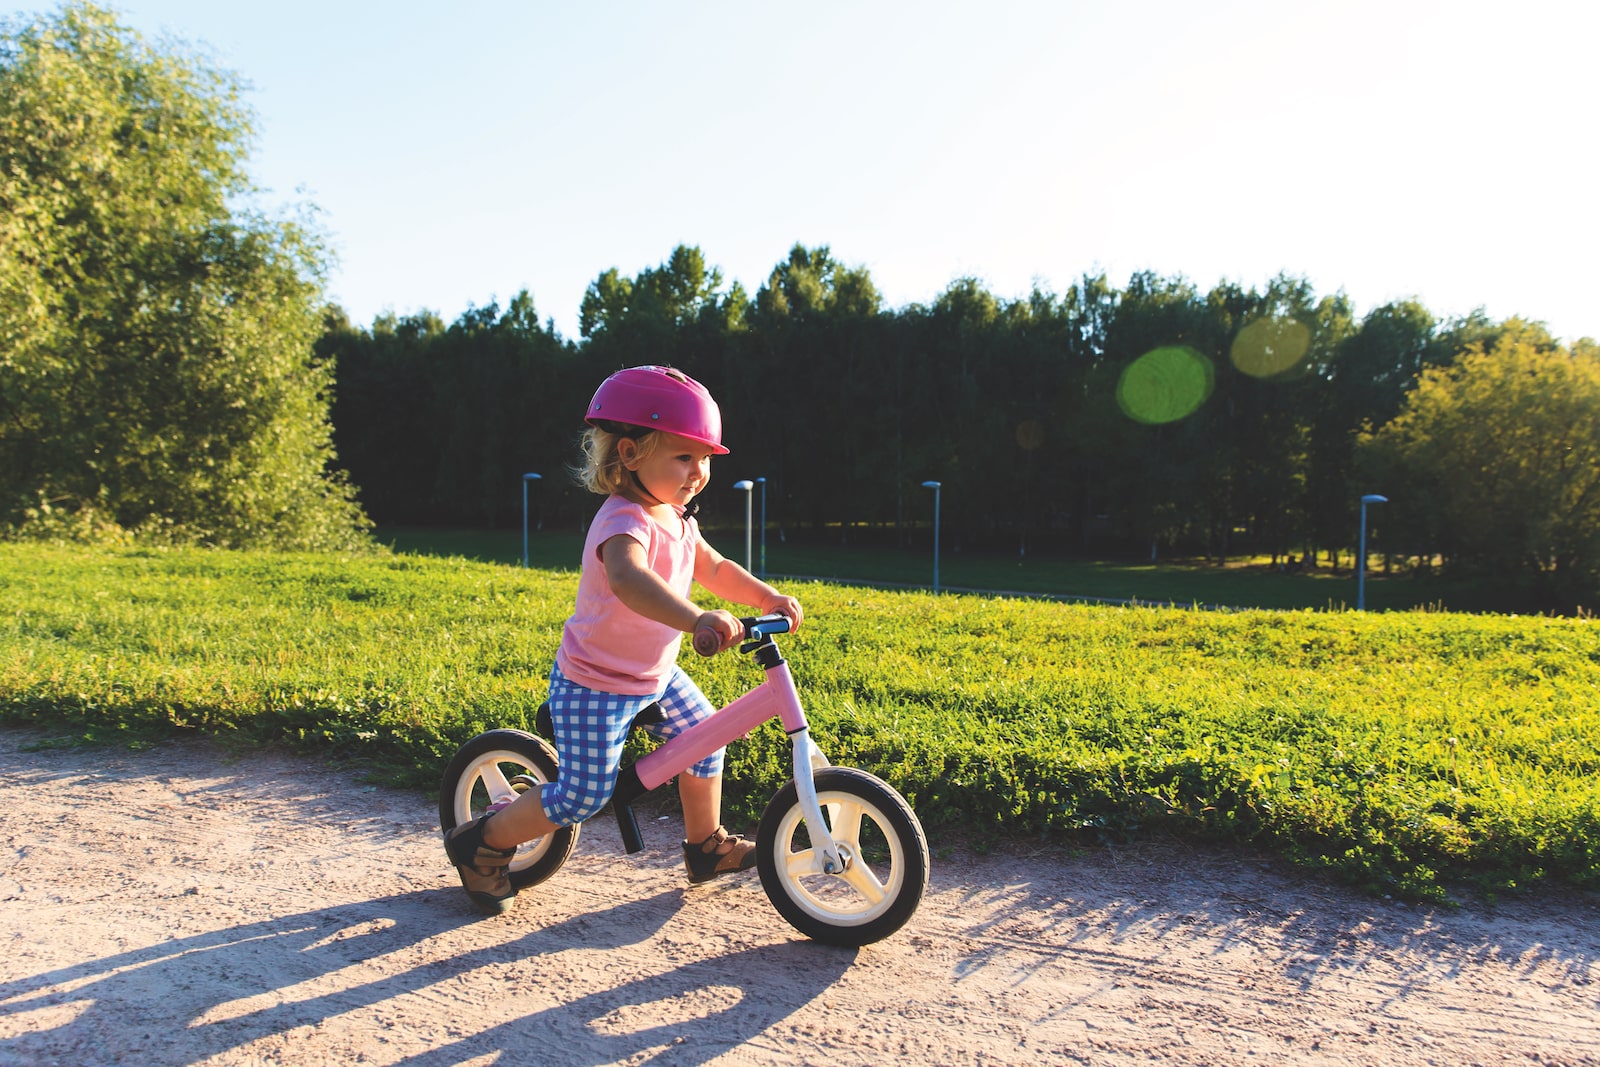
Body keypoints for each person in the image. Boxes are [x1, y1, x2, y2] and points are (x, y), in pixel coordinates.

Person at [444, 365, 804, 915]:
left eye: (704, 459)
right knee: (583, 796)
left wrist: (763, 598)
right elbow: (631, 582)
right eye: (684, 457)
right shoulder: (623, 521)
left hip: (652, 677)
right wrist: (696, 619)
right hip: (595, 683)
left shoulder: (677, 516)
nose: (698, 472)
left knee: (706, 741)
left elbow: (714, 565)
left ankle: (705, 847)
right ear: (631, 454)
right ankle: (483, 843)